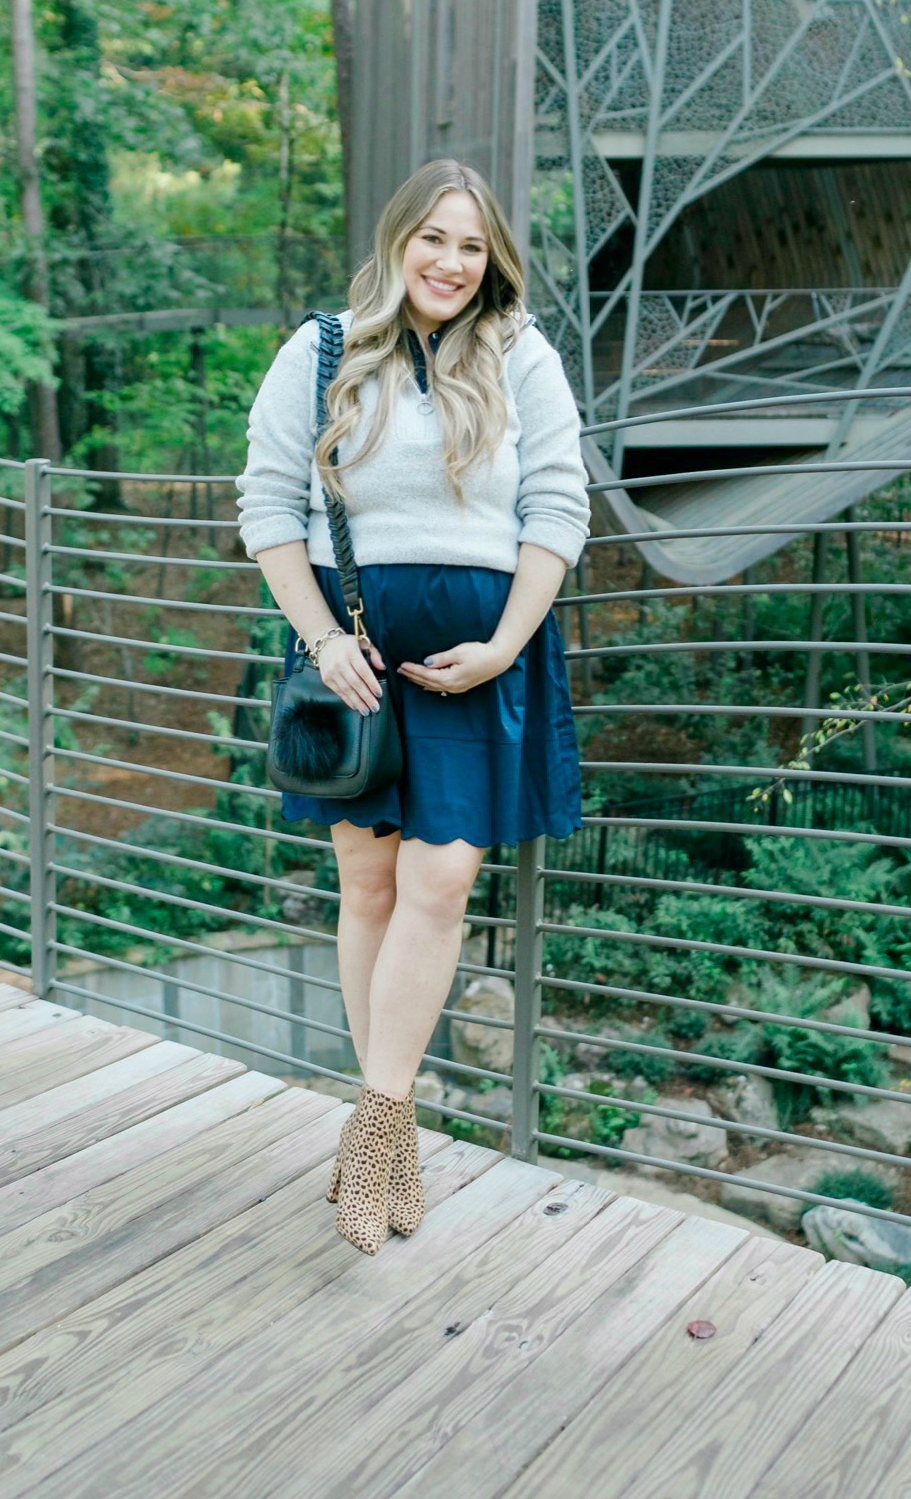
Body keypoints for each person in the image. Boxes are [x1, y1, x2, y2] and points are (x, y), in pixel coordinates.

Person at [236, 158, 590, 1254]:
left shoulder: (521, 351)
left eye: (472, 245)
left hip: (483, 649)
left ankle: (376, 1128)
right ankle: (386, 1120)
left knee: (441, 878)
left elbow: (559, 501)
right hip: (355, 649)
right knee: (368, 879)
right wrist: (323, 639)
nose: (450, 261)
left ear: (493, 261)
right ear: (398, 242)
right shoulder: (323, 349)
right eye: (433, 238)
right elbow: (267, 500)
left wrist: (507, 645)